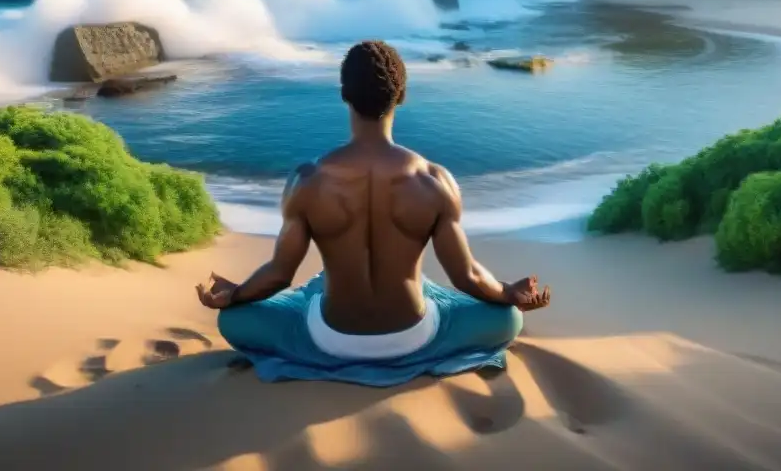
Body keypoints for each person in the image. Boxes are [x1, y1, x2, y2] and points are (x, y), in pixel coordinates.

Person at [197, 40, 550, 384]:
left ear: (343, 94)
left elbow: (279, 275)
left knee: (233, 321)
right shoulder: (434, 181)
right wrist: (507, 293)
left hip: (332, 337)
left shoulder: (307, 180)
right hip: (414, 334)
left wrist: (236, 295)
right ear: (402, 95)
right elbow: (467, 277)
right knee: (508, 320)